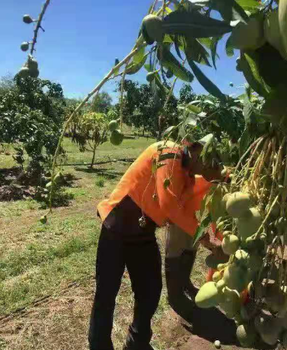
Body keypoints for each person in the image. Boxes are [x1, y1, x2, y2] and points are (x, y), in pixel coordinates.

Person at [88, 136, 223, 350]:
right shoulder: (168, 152)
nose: (208, 167)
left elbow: (187, 203)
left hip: (143, 231)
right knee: (106, 294)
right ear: (195, 150)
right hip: (118, 225)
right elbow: (169, 205)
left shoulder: (187, 175)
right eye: (209, 161)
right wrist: (207, 240)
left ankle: (137, 343)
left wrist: (223, 178)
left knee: (150, 291)